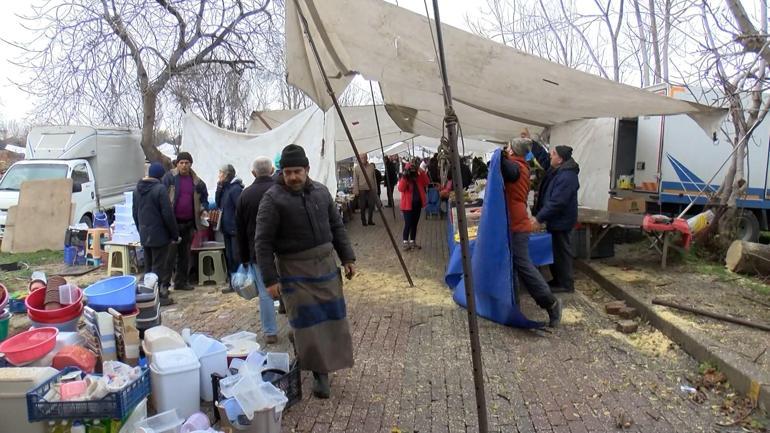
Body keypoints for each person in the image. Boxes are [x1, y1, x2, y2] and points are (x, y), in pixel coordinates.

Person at [256, 144, 356, 399]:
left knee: (332, 320)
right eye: (287, 172)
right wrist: (269, 279)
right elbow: (263, 242)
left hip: (325, 267)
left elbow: (337, 226)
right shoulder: (272, 199)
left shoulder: (322, 193)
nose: (292, 177)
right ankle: (319, 373)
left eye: (297, 171)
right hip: (293, 271)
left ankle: (303, 346)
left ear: (307, 169)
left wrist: (347, 257)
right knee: (307, 323)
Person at [501, 140, 562, 327]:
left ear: (514, 151)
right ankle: (512, 304)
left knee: (523, 264)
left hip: (517, 223)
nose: (507, 150)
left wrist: (500, 154)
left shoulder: (515, 167)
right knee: (514, 264)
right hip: (515, 220)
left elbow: (502, 164)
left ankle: (550, 303)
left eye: (509, 147)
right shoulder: (520, 166)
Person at [235, 156, 278, 344]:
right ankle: (297, 324)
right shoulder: (280, 190)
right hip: (284, 249)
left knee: (265, 292)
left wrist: (244, 256)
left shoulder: (245, 195)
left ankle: (270, 332)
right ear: (272, 170)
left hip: (258, 251)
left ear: (253, 173)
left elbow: (240, 230)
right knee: (291, 286)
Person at [530, 135, 580, 293]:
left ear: (560, 159)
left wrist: (539, 218)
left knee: (561, 252)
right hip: (557, 220)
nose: (550, 155)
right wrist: (532, 143)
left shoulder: (567, 177)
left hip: (562, 221)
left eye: (553, 154)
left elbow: (557, 202)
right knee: (556, 251)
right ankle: (558, 280)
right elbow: (544, 159)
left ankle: (566, 284)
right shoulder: (558, 169)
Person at [133, 162, 179, 306]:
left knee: (148, 266)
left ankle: (146, 295)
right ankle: (158, 297)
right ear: (160, 175)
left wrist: (141, 230)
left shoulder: (137, 190)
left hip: (145, 233)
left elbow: (134, 213)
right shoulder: (160, 189)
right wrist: (174, 234)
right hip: (159, 235)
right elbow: (167, 214)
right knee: (158, 267)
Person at [162, 151, 209, 291]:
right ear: (177, 164)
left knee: (185, 255)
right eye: (181, 163)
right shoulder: (169, 178)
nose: (184, 166)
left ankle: (181, 282)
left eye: (186, 163)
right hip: (172, 223)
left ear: (191, 164)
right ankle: (164, 285)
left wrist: (203, 209)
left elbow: (204, 198)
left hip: (189, 222)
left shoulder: (197, 182)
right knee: (169, 256)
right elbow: (161, 197)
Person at [216, 164, 244, 294]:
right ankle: (233, 282)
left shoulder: (235, 189)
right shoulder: (225, 188)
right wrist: (219, 187)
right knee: (229, 256)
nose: (219, 175)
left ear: (227, 174)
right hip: (226, 228)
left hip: (234, 229)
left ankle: (240, 282)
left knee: (235, 256)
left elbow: (240, 209)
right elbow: (218, 203)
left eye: (221, 173)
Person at [398, 162, 430, 250]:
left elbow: (427, 182)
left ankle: (412, 241)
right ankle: (405, 242)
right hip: (407, 206)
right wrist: (405, 176)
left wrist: (421, 172)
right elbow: (400, 188)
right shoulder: (405, 178)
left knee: (414, 224)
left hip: (417, 205)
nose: (412, 172)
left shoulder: (418, 177)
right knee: (408, 223)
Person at [352, 153, 377, 226]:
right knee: (362, 206)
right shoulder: (357, 168)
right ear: (359, 159)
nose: (363, 159)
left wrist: (375, 188)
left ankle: (370, 220)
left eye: (365, 157)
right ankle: (363, 221)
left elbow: (374, 178)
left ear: (367, 158)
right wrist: (355, 190)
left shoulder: (371, 166)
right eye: (362, 157)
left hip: (370, 188)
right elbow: (355, 180)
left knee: (371, 205)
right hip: (361, 189)